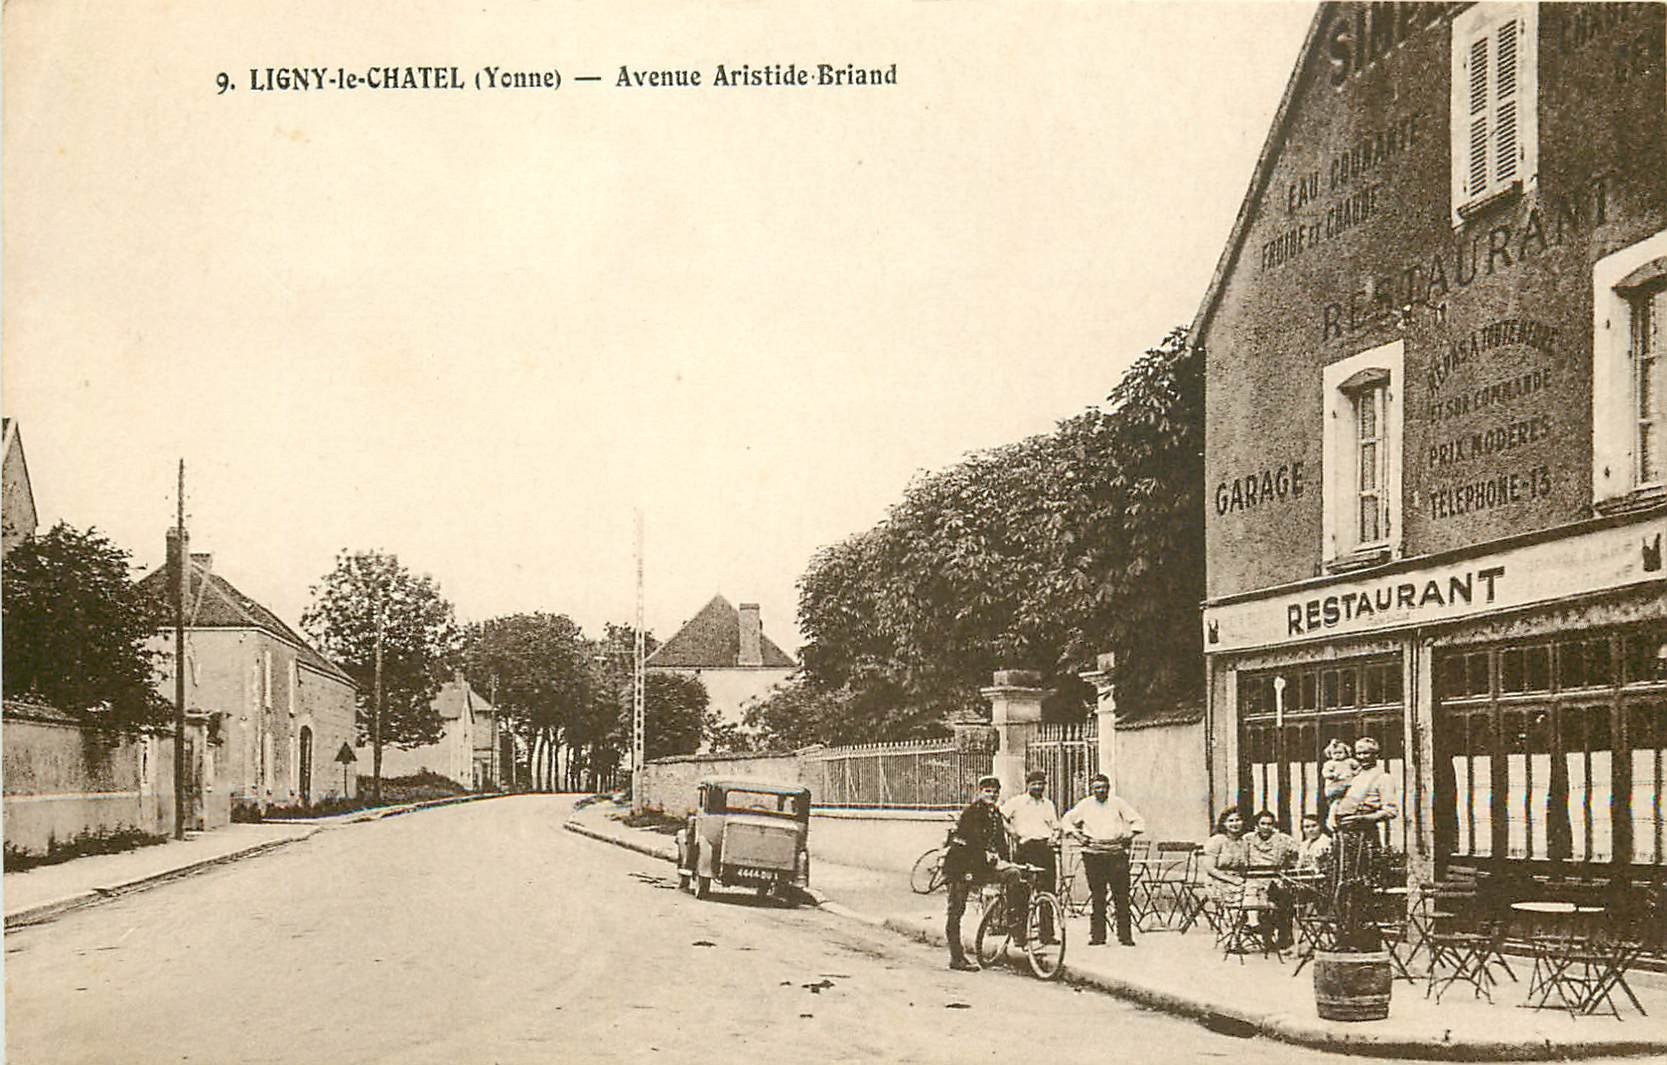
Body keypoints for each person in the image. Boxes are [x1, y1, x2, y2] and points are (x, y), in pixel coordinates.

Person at [1329, 736, 1400, 950]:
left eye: (1367, 753)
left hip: (1363, 837)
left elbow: (1391, 810)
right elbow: (1336, 798)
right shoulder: (1354, 774)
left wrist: (1363, 819)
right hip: (1343, 837)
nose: (1362, 757)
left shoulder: (1383, 777)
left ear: (1376, 754)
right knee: (1341, 886)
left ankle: (1362, 941)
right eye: (1359, 753)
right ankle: (1344, 937)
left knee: (1359, 886)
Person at [1062, 773, 1144, 946]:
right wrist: (1077, 835)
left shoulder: (1118, 803)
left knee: (1121, 896)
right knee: (1098, 896)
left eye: (1104, 787)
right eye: (1097, 788)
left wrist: (1130, 835)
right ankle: (1098, 936)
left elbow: (1138, 821)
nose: (1101, 791)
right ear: (1091, 789)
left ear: (1109, 788)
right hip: (1093, 855)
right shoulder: (1085, 805)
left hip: (1116, 854)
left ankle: (1125, 936)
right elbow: (1066, 820)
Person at [944, 775, 1012, 972]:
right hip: (961, 866)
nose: (992, 795)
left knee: (1013, 875)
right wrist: (987, 856)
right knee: (956, 910)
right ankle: (956, 957)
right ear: (980, 792)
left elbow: (1000, 841)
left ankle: (1006, 925)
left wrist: (1005, 860)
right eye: (987, 791)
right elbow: (972, 841)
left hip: (979, 864)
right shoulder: (972, 812)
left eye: (995, 791)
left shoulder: (995, 813)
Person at [1000, 769, 1060, 945]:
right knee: (1021, 893)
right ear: (1028, 785)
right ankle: (1019, 935)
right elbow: (1000, 816)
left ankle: (1046, 934)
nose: (1038, 787)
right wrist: (1012, 832)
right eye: (1034, 784)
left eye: (1041, 784)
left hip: (1045, 849)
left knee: (1048, 892)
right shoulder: (1017, 802)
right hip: (1025, 849)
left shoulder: (1048, 804)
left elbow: (1055, 825)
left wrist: (1055, 837)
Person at [1246, 810, 1299, 949]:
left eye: (1269, 824)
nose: (1266, 827)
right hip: (1254, 877)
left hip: (1275, 877)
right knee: (1256, 898)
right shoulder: (1248, 839)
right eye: (1262, 823)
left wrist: (1289, 866)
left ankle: (1284, 937)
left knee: (1283, 899)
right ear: (1256, 825)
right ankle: (1265, 937)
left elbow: (1296, 854)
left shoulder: (1283, 839)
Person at [1320, 738, 1360, 829]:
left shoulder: (1349, 761)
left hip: (1348, 785)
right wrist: (1332, 775)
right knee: (1336, 802)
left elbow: (1359, 768)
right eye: (1334, 753)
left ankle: (1343, 818)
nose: (1337, 755)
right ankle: (1331, 819)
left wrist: (1355, 773)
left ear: (1346, 753)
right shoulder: (1330, 763)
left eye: (1340, 752)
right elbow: (1325, 773)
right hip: (1336, 786)